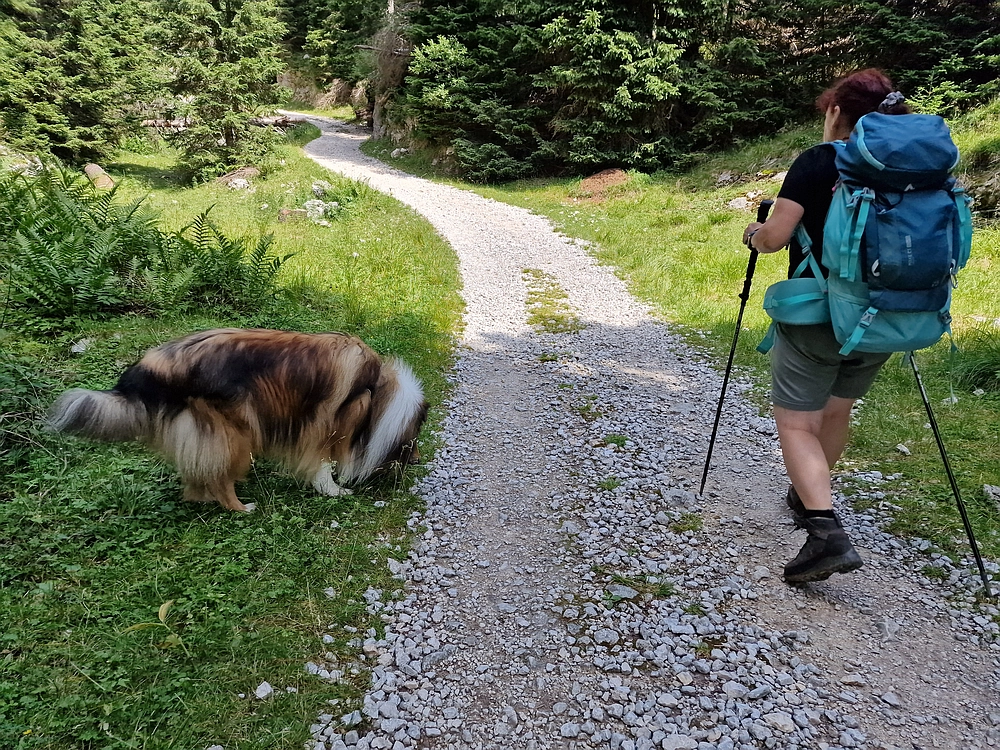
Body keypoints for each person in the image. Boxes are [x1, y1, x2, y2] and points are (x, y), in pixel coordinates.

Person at [741, 69, 911, 584]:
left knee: (797, 423)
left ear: (837, 111)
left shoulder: (819, 161)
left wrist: (754, 233)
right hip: (889, 315)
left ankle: (824, 533)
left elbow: (774, 238)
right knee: (837, 410)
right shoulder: (913, 165)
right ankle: (808, 495)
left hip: (820, 314)